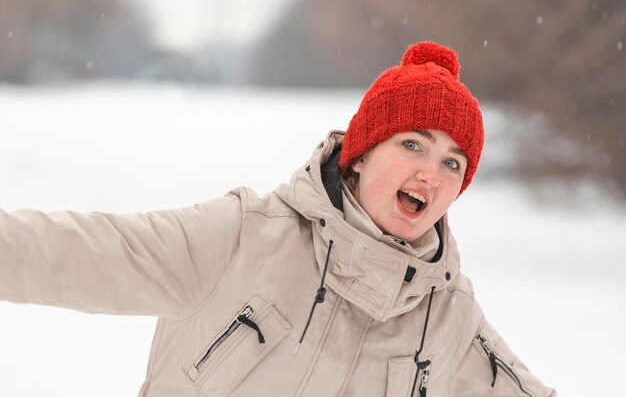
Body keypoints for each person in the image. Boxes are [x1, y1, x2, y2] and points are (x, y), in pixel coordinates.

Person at [0, 41, 555, 396]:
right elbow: (85, 252)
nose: (431, 175)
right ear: (359, 154)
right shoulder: (244, 238)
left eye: (452, 162)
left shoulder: (448, 319)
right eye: (413, 145)